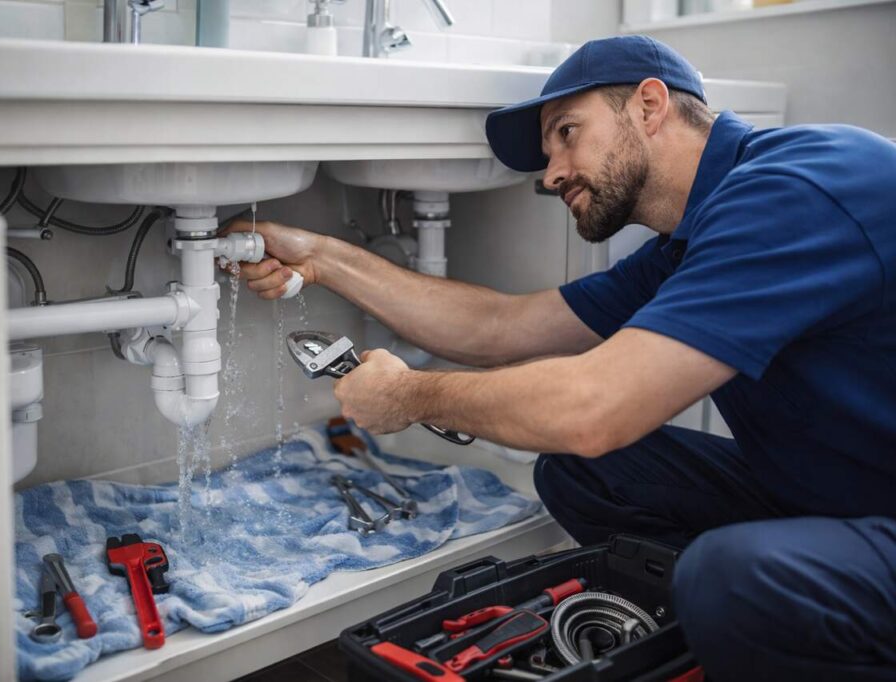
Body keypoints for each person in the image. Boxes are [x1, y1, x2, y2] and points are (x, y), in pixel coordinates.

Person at [225, 35, 896, 681]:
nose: (551, 175)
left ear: (650, 105)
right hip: (831, 497)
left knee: (733, 576)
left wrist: (410, 397)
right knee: (586, 473)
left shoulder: (796, 187)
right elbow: (500, 326)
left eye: (567, 133)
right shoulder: (692, 241)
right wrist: (321, 257)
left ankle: (752, 620)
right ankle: (730, 639)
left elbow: (594, 408)